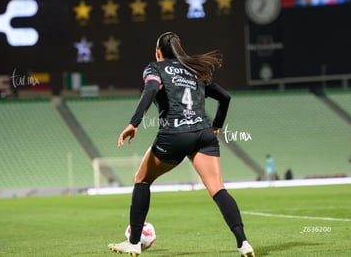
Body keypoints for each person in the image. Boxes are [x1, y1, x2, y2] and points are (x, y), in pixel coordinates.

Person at [108, 32, 255, 257]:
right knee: (217, 188)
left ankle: (134, 242)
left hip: (175, 135)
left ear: (158, 53)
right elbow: (225, 97)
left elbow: (150, 90)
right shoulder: (194, 71)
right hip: (203, 134)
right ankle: (243, 244)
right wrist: (216, 126)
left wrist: (133, 123)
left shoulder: (155, 69)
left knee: (142, 179)